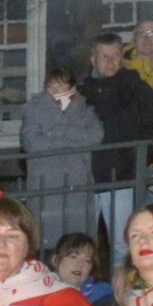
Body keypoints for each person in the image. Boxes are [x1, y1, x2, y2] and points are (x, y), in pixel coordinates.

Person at [81, 35, 153, 244]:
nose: (111, 61)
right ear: (93, 59)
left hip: (122, 179)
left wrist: (132, 161)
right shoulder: (82, 92)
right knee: (82, 246)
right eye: (105, 56)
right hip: (86, 179)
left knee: (123, 245)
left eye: (116, 55)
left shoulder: (138, 89)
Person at [19, 63, 103, 244]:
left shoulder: (85, 108)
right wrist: (74, 141)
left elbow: (95, 136)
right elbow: (31, 143)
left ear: (71, 86)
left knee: (77, 242)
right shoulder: (33, 108)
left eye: (60, 84)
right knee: (45, 241)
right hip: (45, 183)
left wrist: (56, 130)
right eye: (50, 85)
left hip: (77, 184)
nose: (54, 89)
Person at [50, 234, 113, 306]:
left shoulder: (102, 293)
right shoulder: (40, 291)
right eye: (73, 257)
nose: (80, 264)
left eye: (87, 260)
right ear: (55, 260)